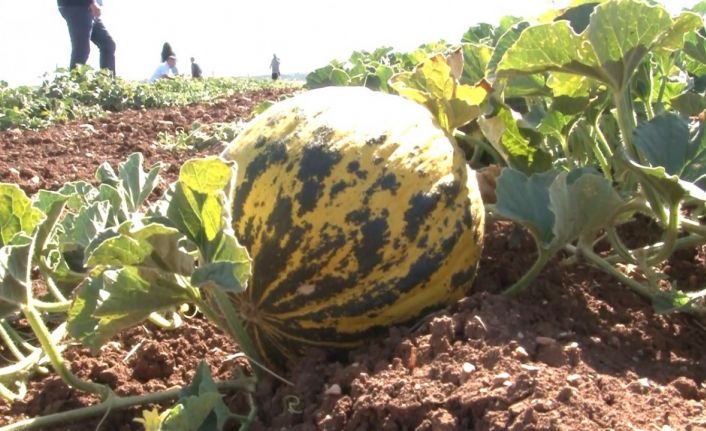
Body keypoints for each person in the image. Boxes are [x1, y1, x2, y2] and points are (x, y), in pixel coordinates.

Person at [57, 0, 116, 75]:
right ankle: (74, 82)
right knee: (82, 49)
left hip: (85, 7)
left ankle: (107, 82)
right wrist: (92, 3)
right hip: (79, 5)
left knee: (108, 45)